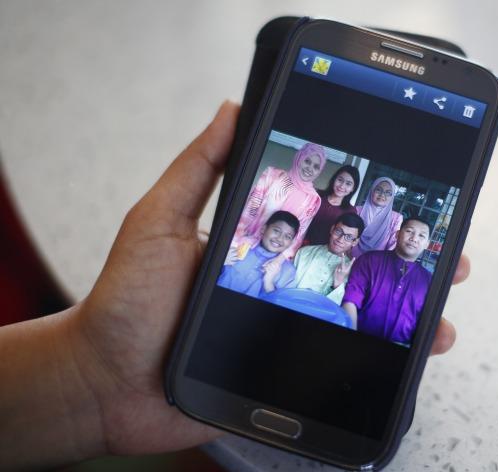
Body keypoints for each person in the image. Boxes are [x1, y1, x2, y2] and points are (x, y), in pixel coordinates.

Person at [0, 102, 468, 470]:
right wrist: (246, 245)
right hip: (252, 244)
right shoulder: (281, 200)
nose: (314, 169)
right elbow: (290, 237)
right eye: (315, 163)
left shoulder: (368, 252)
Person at [342, 217, 435, 344]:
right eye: (409, 231)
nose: (414, 238)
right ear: (397, 234)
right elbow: (350, 300)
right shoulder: (369, 260)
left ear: (427, 245)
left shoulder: (429, 281)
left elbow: (426, 323)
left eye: (421, 236)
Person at [231, 142, 325, 258]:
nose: (310, 168)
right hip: (247, 244)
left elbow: (299, 235)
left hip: (274, 255)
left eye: (316, 167)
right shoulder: (272, 175)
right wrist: (234, 242)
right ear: (299, 158)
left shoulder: (313, 199)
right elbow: (250, 209)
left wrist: (279, 260)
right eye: (307, 161)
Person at [217, 210, 299, 297]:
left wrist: (269, 283)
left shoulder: (288, 271)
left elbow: (282, 306)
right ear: (263, 229)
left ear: (291, 242)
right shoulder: (238, 246)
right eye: (276, 231)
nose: (280, 239)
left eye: (287, 236)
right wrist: (219, 261)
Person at [293, 213, 365, 304]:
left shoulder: (353, 272)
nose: (340, 239)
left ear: (355, 242)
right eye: (338, 231)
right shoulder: (304, 253)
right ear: (332, 229)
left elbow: (342, 308)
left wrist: (338, 283)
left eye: (349, 237)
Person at [303, 164, 360, 246]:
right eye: (340, 180)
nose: (342, 186)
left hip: (322, 252)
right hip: (299, 243)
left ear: (353, 189)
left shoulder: (350, 211)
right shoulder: (316, 195)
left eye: (348, 184)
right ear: (334, 179)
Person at [352, 176, 403, 258]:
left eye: (388, 193)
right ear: (372, 191)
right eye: (378, 190)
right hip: (350, 257)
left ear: (392, 196)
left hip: (376, 263)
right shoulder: (357, 210)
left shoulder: (396, 218)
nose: (382, 195)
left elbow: (392, 246)